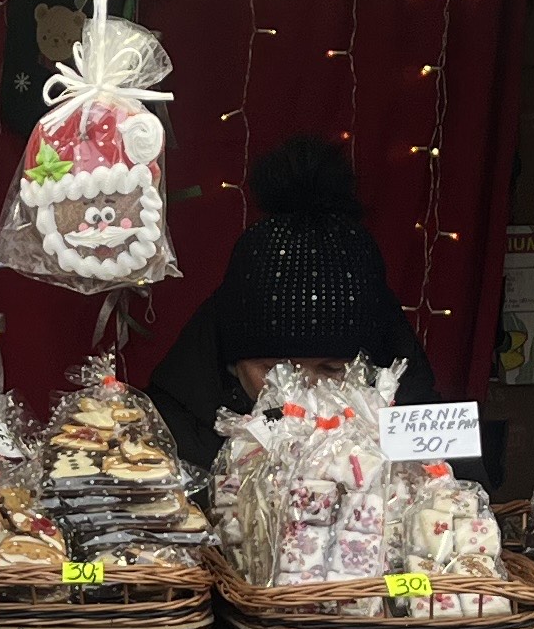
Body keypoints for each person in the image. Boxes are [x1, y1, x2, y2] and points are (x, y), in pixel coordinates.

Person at [145, 133, 430, 466]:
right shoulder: (164, 435)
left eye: (332, 369)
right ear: (231, 363)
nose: (301, 391)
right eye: (274, 369)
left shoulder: (420, 427)